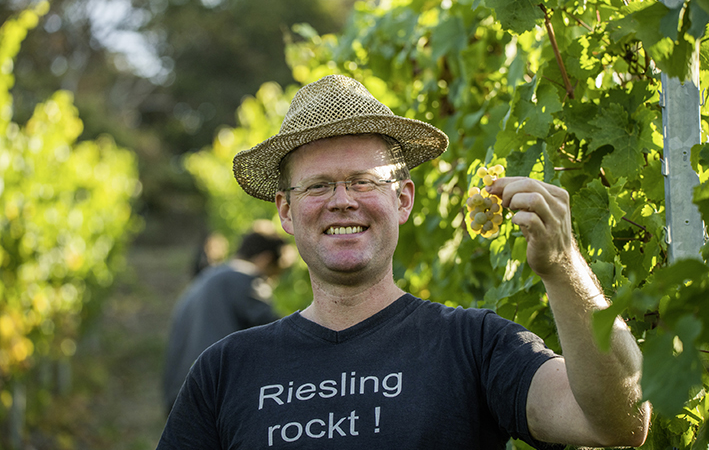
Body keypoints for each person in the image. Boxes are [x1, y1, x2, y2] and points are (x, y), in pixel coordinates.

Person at [157, 75, 650, 448]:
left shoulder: (476, 346)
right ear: (286, 210)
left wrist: (563, 266)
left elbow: (620, 422)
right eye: (318, 185)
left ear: (404, 199)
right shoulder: (225, 371)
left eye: (364, 180)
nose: (342, 200)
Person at [162, 223, 289, 415]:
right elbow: (280, 337)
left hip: (181, 395)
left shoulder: (207, 279)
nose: (273, 281)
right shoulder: (246, 281)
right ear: (265, 259)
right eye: (275, 274)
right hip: (215, 398)